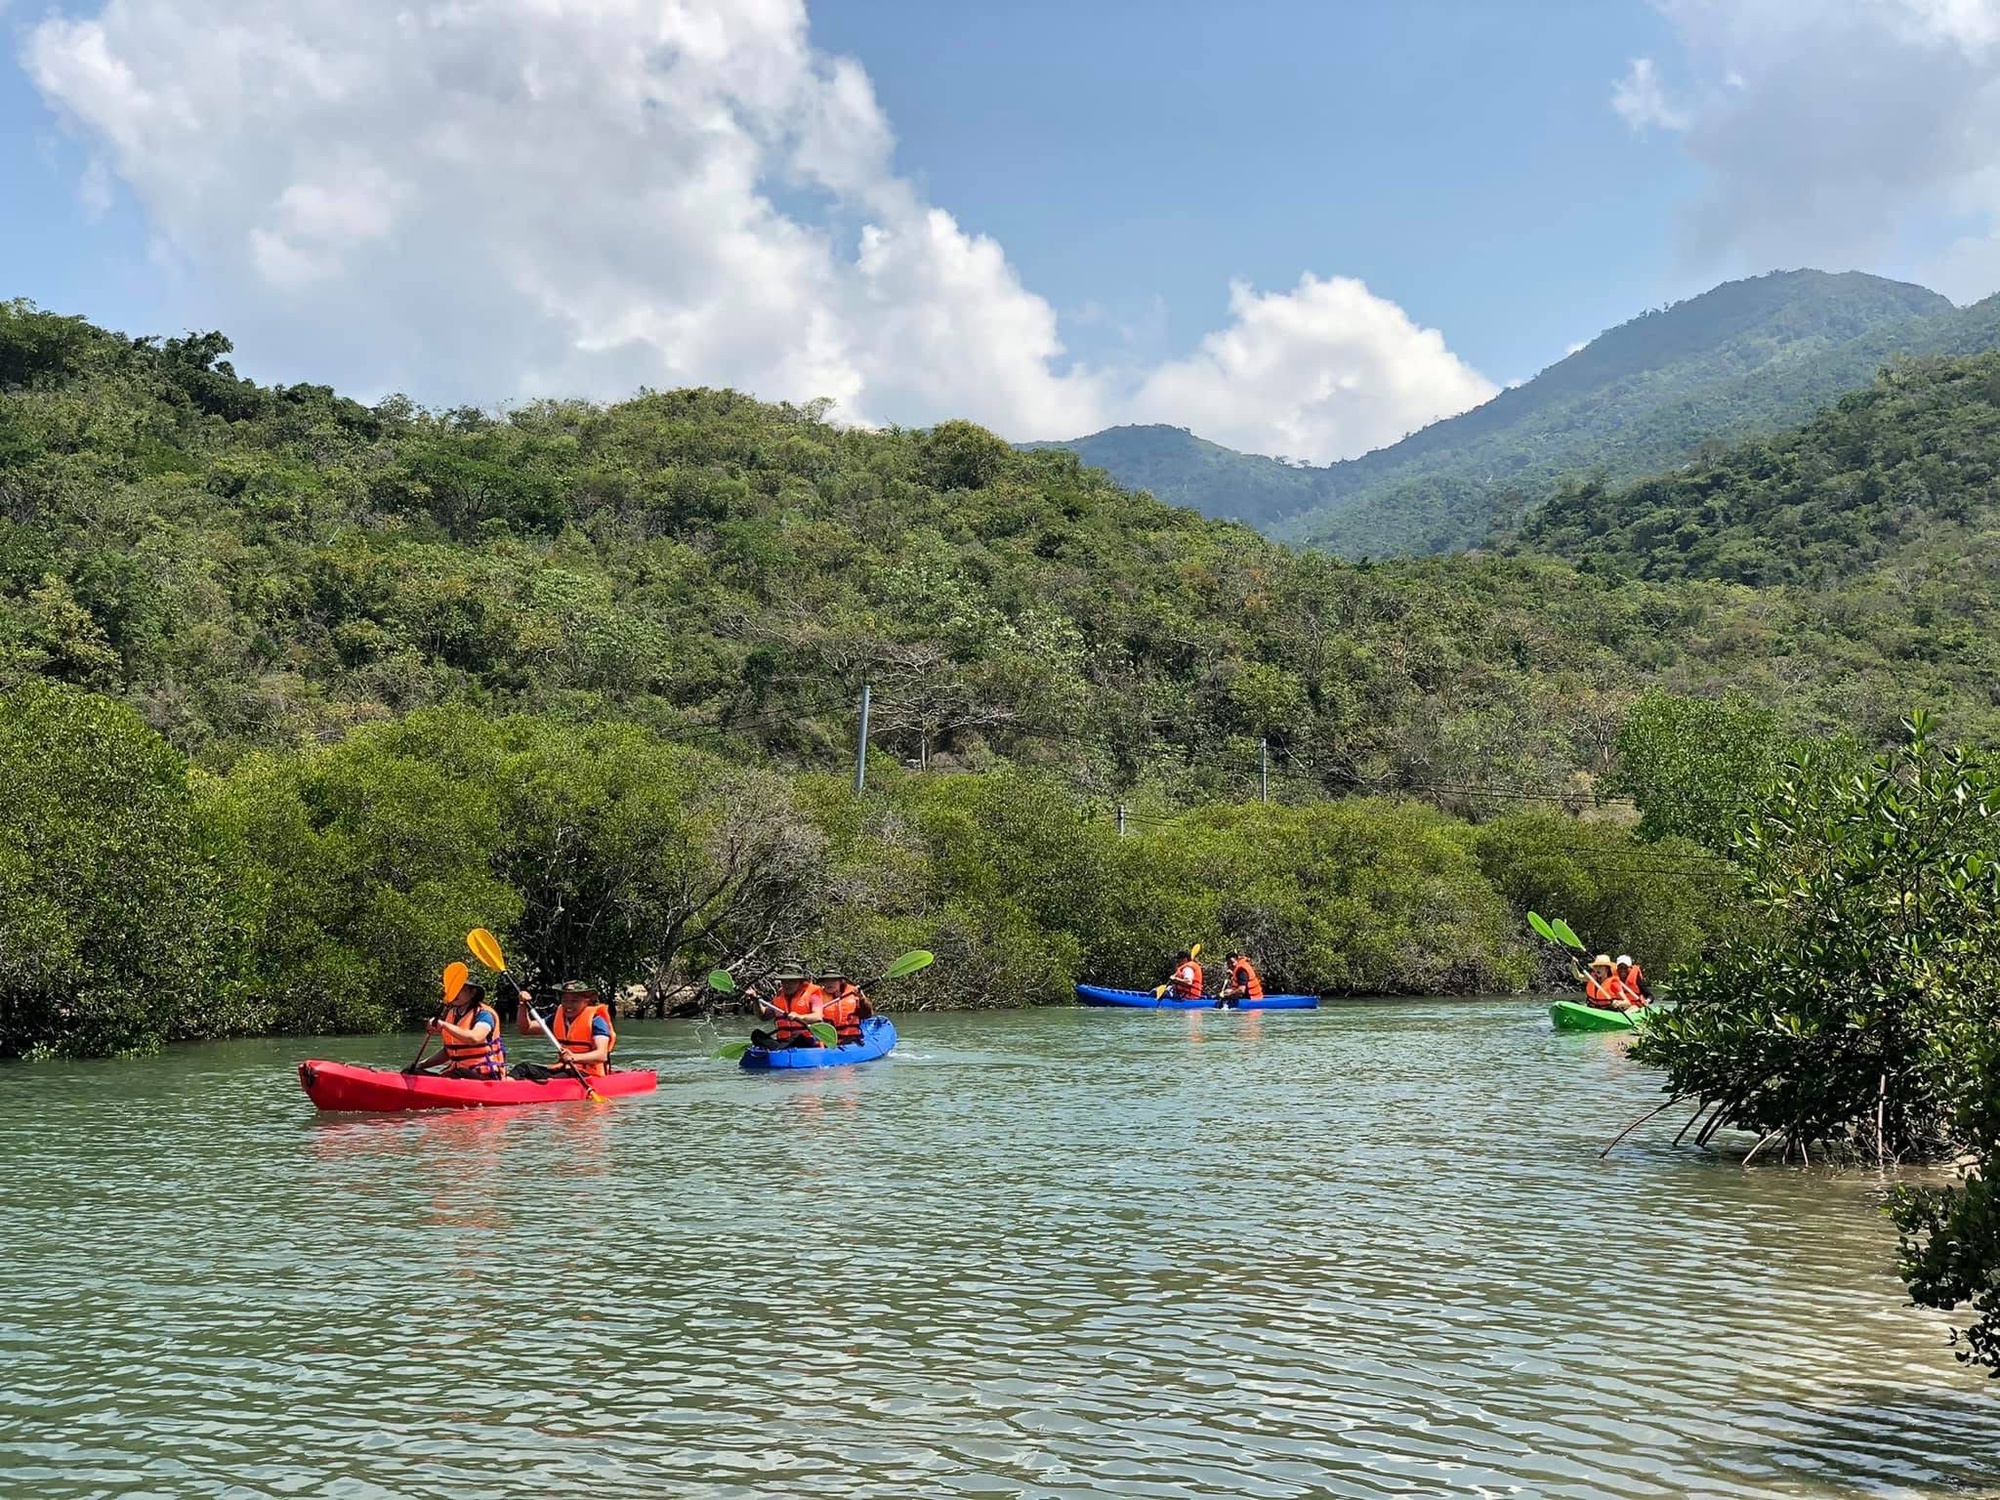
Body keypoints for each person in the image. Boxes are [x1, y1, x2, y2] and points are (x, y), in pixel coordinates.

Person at [411, 978, 506, 1078]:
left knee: (458, 1074)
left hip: (485, 1075)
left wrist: (443, 1025)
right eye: (453, 989)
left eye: (459, 989)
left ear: (473, 992)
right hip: (458, 1072)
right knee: (411, 1071)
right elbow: (448, 1052)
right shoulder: (452, 1014)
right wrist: (420, 1065)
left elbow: (475, 1038)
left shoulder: (484, 1015)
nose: (455, 993)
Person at [519, 979, 616, 1077]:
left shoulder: (596, 1021)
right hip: (565, 1068)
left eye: (574, 1001)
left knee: (557, 1077)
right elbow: (526, 1029)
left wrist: (574, 1057)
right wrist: (523, 1005)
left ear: (586, 1001)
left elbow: (601, 1055)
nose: (568, 1005)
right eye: (565, 1000)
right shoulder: (557, 1018)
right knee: (522, 1069)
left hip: (587, 1074)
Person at [751, 965, 830, 1049]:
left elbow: (818, 1017)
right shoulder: (779, 997)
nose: (787, 984)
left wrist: (799, 1016)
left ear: (800, 982)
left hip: (806, 1040)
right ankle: (777, 1050)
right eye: (784, 981)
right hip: (784, 1041)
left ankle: (777, 1050)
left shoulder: (813, 995)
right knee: (756, 1035)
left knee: (798, 1036)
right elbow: (763, 1016)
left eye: (792, 981)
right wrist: (755, 1000)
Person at [819, 975, 876, 1046]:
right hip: (826, 1039)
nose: (829, 983)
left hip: (850, 1038)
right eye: (826, 981)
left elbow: (867, 1014)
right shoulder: (817, 997)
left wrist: (862, 998)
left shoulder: (854, 994)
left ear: (840, 982)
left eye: (833, 980)